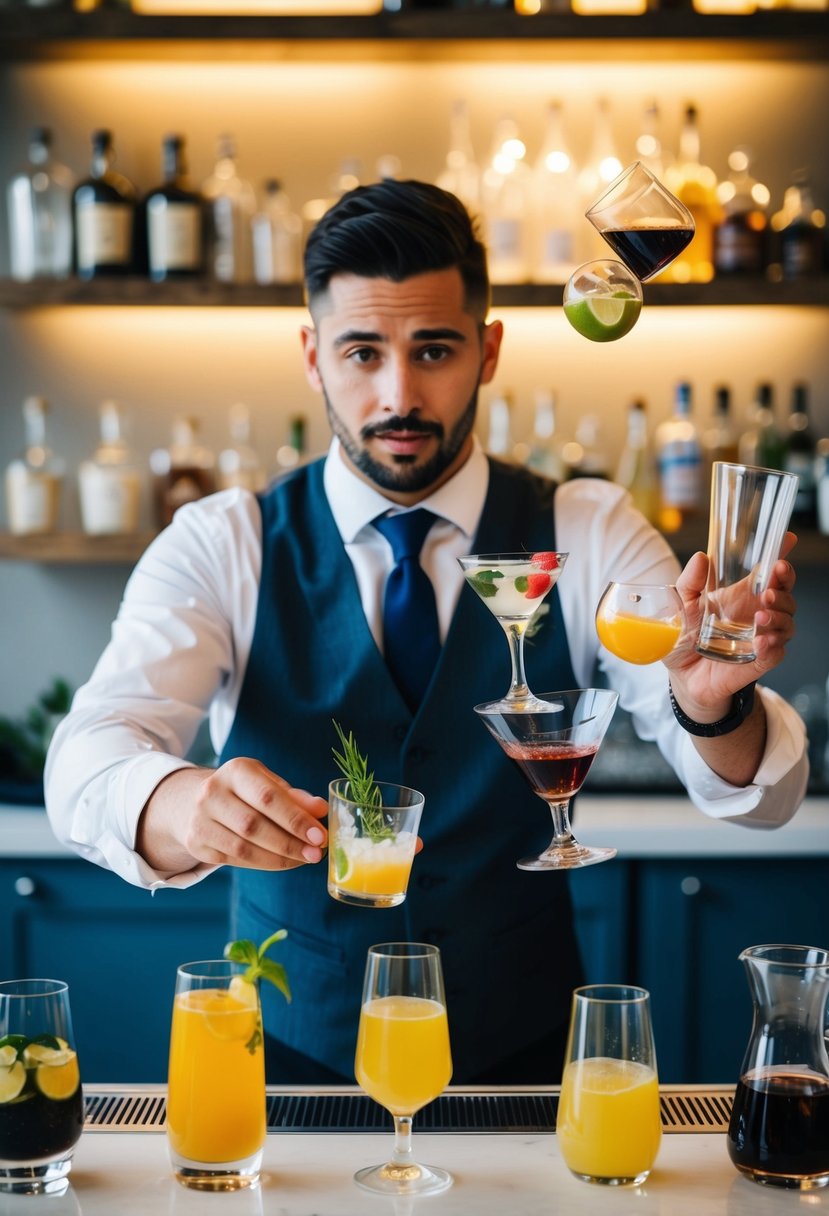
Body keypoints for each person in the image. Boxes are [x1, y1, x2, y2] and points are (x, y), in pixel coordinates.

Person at [45, 179, 808, 1085]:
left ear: (487, 352)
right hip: (290, 1059)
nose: (397, 394)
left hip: (521, 1064)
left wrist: (711, 709)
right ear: (311, 355)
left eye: (433, 349)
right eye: (361, 352)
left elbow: (756, 798)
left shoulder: (588, 527)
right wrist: (181, 803)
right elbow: (88, 756)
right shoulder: (223, 543)